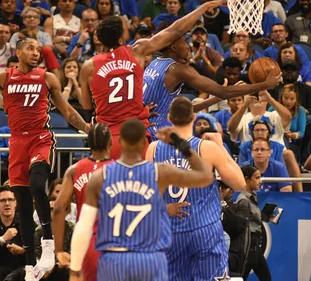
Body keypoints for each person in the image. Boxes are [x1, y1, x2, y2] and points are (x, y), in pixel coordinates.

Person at [0, 38, 91, 280]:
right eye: (30, 48)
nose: (35, 53)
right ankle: (31, 266)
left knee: (36, 184)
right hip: (18, 142)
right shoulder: (4, 77)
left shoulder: (47, 77)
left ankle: (49, 242)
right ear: (17, 52)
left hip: (40, 137)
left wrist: (86, 128)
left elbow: (66, 110)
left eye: (38, 50)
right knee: (22, 204)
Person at [80, 0, 227, 160]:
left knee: (111, 183)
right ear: (122, 38)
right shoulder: (137, 51)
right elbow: (175, 30)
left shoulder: (89, 67)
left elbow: (88, 110)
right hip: (136, 134)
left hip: (107, 137)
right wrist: (204, 7)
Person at [68, 119, 213, 280]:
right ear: (145, 142)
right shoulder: (160, 173)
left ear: (119, 142)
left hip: (113, 259)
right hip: (149, 259)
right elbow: (206, 176)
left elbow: (83, 227)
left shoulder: (100, 177)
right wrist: (179, 143)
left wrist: (74, 270)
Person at [145, 96, 245, 280]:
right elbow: (240, 183)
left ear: (169, 117)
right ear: (193, 118)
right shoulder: (206, 148)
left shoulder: (153, 149)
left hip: (171, 232)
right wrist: (220, 145)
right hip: (204, 230)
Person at [142, 22, 279, 139]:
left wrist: (216, 99)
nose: (189, 46)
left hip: (143, 129)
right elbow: (223, 92)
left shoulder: (154, 63)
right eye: (184, 42)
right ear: (173, 47)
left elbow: (188, 110)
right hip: (156, 133)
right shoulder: (177, 69)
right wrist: (265, 85)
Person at [52, 123, 113, 281]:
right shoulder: (121, 170)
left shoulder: (74, 170)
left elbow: (58, 209)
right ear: (110, 143)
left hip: (84, 242)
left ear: (88, 143)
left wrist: (58, 250)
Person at [234, 166, 272, 280]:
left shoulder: (252, 198)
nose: (260, 181)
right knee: (240, 278)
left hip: (256, 248)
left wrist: (264, 217)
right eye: (257, 178)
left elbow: (252, 219)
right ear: (247, 179)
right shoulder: (243, 201)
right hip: (248, 248)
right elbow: (240, 225)